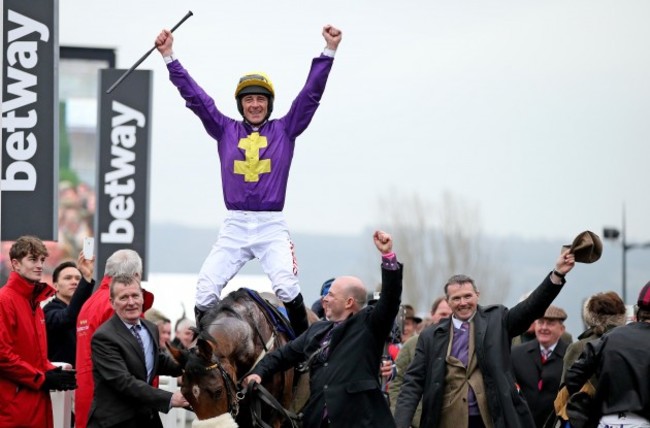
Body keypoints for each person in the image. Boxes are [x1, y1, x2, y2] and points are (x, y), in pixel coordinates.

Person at [154, 24, 343, 336]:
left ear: (269, 103)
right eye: (248, 99)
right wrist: (169, 57)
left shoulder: (285, 129)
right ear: (240, 104)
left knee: (286, 285)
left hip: (271, 226)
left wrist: (329, 51)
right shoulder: (224, 128)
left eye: (261, 99)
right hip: (235, 225)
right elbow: (195, 97)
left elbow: (311, 94)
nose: (255, 105)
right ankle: (210, 355)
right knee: (204, 290)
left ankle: (304, 352)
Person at [394, 249, 576, 428]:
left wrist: (557, 274)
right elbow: (413, 383)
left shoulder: (497, 319)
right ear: (448, 302)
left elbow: (530, 308)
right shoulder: (430, 336)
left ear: (477, 295)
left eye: (468, 296)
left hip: (491, 418)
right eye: (456, 298)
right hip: (446, 420)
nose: (463, 302)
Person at [243, 230, 402, 428]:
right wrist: (259, 372)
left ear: (349, 302)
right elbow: (283, 355)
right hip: (319, 421)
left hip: (361, 421)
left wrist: (388, 256)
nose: (324, 299)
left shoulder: (369, 324)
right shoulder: (317, 330)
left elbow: (391, 298)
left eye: (332, 296)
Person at [87, 275, 188, 427]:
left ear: (142, 298)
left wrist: (191, 365)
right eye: (124, 297)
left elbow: (156, 361)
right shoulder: (104, 337)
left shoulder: (151, 328)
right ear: (112, 303)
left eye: (135, 296)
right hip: (115, 421)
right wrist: (170, 398)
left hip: (146, 417)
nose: (131, 302)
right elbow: (123, 382)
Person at [0, 236, 77, 428]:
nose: (39, 265)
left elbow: (37, 357)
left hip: (36, 403)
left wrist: (55, 373)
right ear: (15, 264)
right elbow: (3, 355)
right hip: (14, 407)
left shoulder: (35, 304)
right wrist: (43, 378)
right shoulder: (5, 300)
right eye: (33, 260)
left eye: (42, 260)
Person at [75, 249, 153, 428]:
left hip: (90, 401)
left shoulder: (90, 303)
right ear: (134, 275)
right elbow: (137, 361)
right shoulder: (119, 306)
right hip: (118, 410)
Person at [565, 281, 650, 428]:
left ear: (637, 313)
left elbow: (573, 376)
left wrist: (587, 403)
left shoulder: (611, 337)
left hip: (606, 422)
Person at [389, 297, 452, 427]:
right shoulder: (413, 344)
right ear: (432, 314)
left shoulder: (462, 346)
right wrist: (402, 419)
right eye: (443, 314)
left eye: (451, 315)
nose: (447, 318)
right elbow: (397, 383)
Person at [510, 305, 569, 428]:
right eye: (540, 322)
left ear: (562, 329)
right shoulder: (516, 354)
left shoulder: (569, 356)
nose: (544, 328)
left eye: (550, 324)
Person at [561, 290, 626, 382]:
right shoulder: (632, 344)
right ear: (622, 316)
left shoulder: (579, 347)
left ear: (589, 316)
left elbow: (565, 390)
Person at [44, 255, 95, 366]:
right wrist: (86, 278)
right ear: (56, 286)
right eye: (68, 278)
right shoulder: (48, 311)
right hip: (60, 378)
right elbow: (68, 317)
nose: (74, 282)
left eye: (78, 279)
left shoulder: (86, 312)